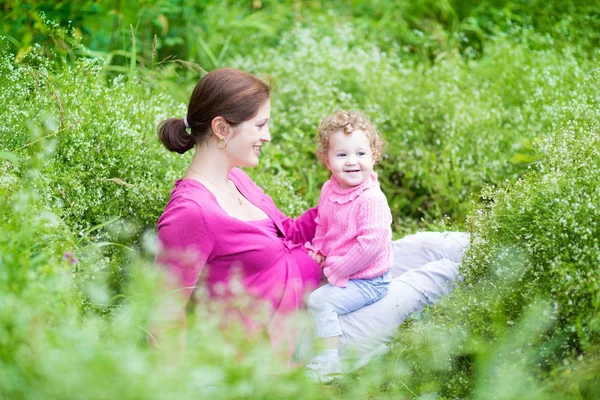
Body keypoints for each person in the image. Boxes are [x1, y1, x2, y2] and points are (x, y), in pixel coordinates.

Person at [153, 67, 470, 373]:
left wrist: (348, 199)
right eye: (260, 125)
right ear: (222, 128)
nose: (268, 136)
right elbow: (163, 311)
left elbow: (289, 232)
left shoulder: (235, 179)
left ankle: (513, 247)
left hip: (331, 281)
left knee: (433, 246)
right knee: (441, 273)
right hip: (307, 332)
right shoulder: (191, 213)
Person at [302, 111, 393, 382]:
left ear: (374, 155)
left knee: (320, 301)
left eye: (361, 154)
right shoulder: (329, 189)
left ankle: (330, 362)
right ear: (327, 159)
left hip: (369, 279)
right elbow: (323, 223)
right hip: (343, 269)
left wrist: (337, 268)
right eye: (341, 155)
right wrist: (319, 248)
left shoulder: (371, 200)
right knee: (307, 285)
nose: (352, 162)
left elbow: (371, 245)